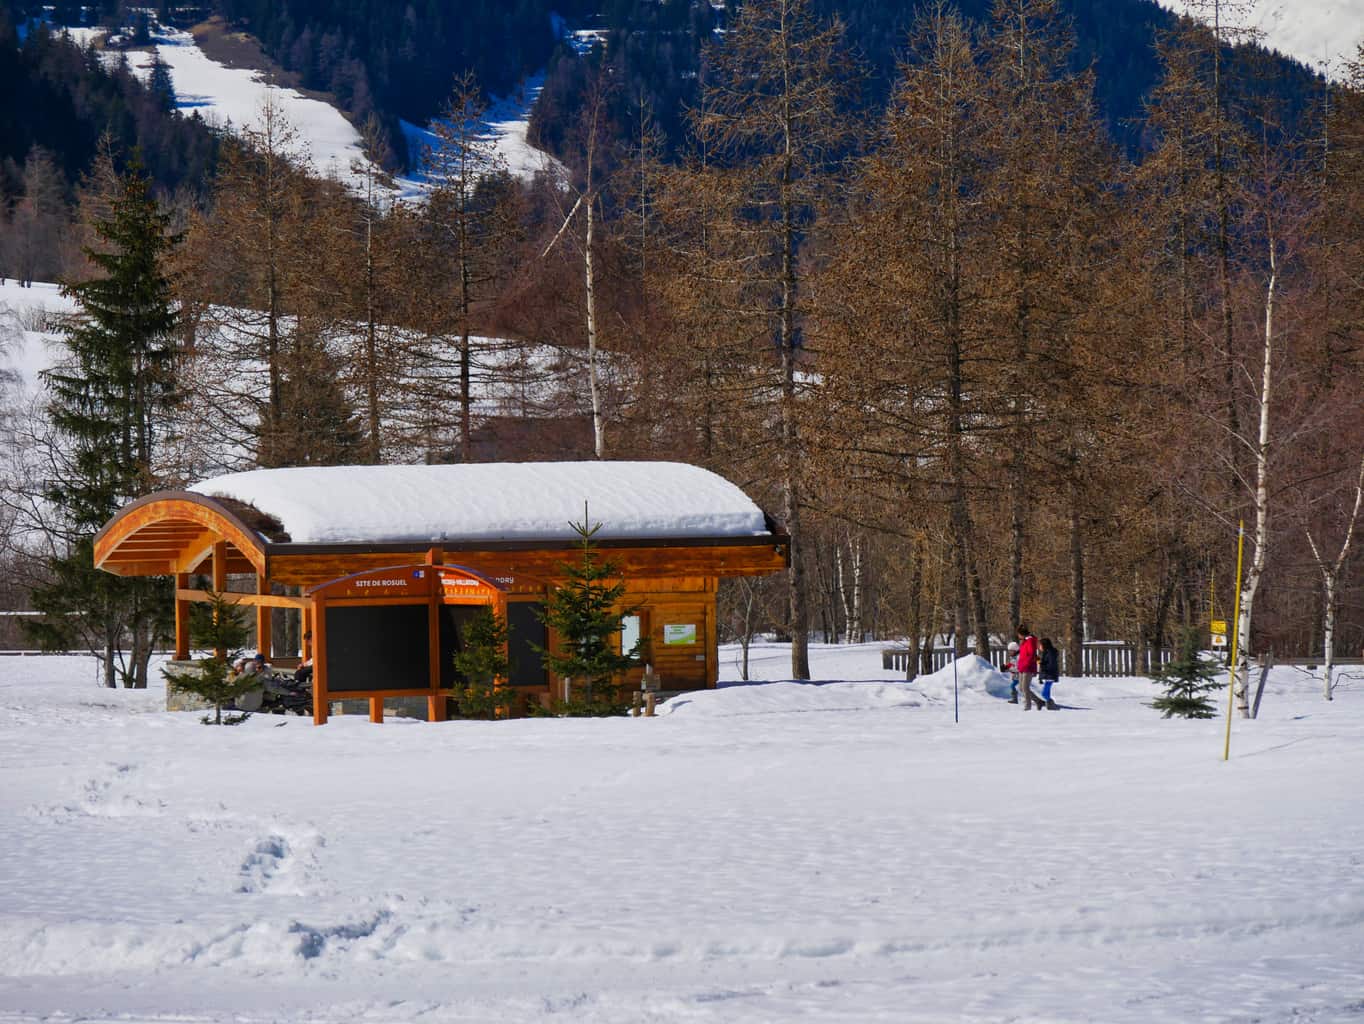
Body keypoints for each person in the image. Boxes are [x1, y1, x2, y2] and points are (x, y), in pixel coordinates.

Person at [1016, 625, 1041, 710]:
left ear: (1022, 634)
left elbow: (1031, 654)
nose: (1018, 636)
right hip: (1022, 667)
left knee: (1025, 687)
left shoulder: (1030, 641)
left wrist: (1026, 664)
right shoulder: (1024, 641)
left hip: (1028, 667)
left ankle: (1028, 705)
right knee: (1021, 688)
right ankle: (1038, 701)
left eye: (1019, 634)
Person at [1039, 637, 1060, 710]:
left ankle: (1052, 705)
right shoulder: (1046, 652)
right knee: (1046, 693)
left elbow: (1051, 665)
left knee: (1044, 693)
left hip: (1050, 675)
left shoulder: (1050, 653)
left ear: (1044, 645)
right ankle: (1050, 706)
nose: (1039, 647)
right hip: (1047, 675)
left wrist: (1042, 665)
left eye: (1040, 645)